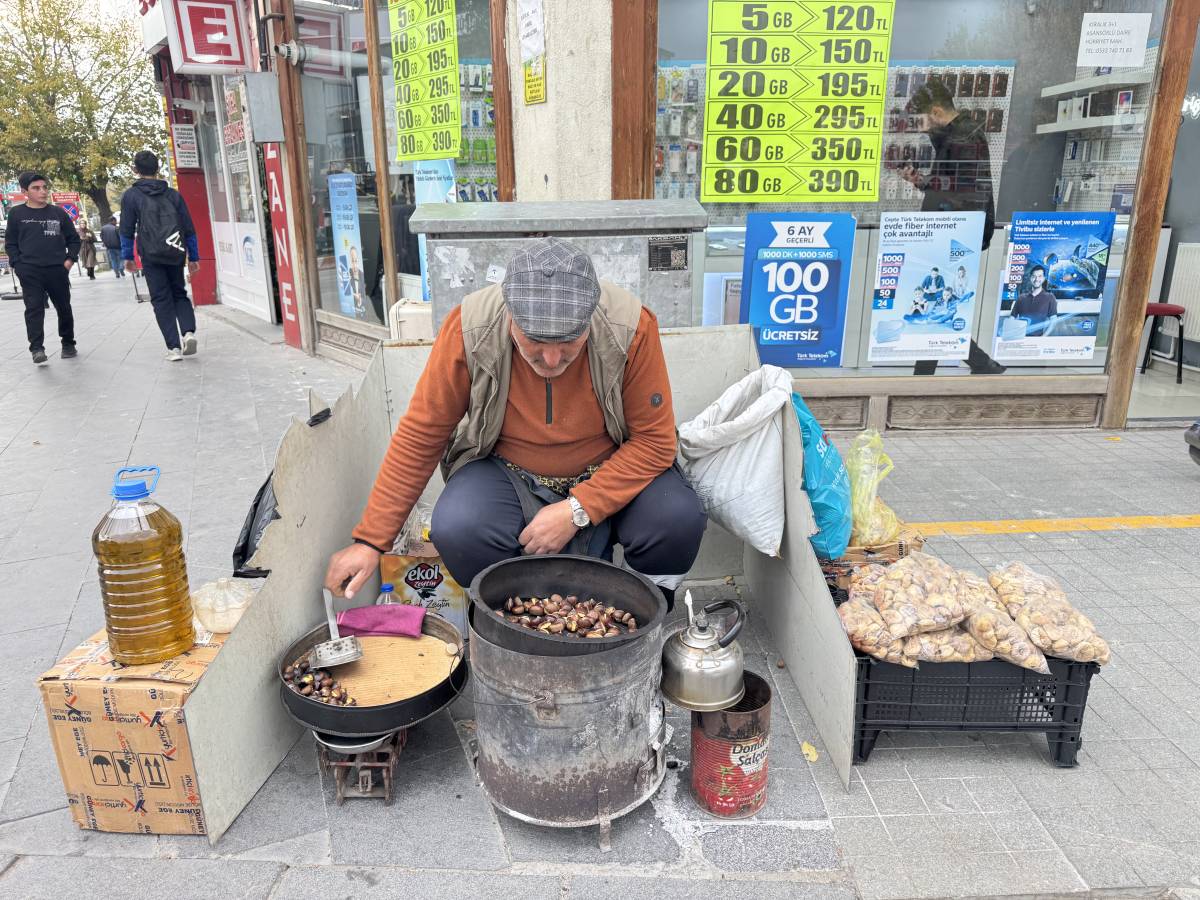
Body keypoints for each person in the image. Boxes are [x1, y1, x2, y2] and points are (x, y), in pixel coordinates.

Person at [324, 237, 708, 610]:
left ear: (591, 317)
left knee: (676, 517)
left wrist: (578, 509)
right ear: (510, 316)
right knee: (459, 527)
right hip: (507, 470)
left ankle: (638, 614)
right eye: (536, 342)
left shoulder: (631, 327)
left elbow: (655, 443)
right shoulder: (469, 328)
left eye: (570, 341)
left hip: (608, 464)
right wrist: (372, 542)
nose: (553, 360)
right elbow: (422, 434)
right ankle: (517, 616)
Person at [902, 77, 1005, 375]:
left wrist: (924, 181)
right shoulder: (956, 136)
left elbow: (962, 189)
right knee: (942, 302)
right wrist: (922, 180)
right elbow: (953, 184)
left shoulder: (963, 139)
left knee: (942, 303)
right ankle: (979, 362)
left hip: (956, 232)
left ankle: (936, 372)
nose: (919, 127)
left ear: (935, 112)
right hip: (954, 228)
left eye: (921, 120)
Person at [119, 151, 201, 361]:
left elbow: (127, 229)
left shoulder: (131, 196)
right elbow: (188, 227)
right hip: (175, 252)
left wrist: (127, 257)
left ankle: (173, 348)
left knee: (161, 299)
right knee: (179, 293)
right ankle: (188, 332)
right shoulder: (173, 194)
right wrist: (194, 257)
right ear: (158, 169)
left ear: (135, 170)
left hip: (151, 255)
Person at [3, 171, 79, 365]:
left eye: (44, 187)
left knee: (63, 307)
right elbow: (10, 243)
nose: (42, 191)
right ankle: (37, 348)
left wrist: (69, 260)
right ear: (24, 191)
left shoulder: (58, 213)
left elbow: (73, 239)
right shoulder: (16, 214)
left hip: (57, 269)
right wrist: (17, 264)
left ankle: (68, 343)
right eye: (36, 188)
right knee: (34, 309)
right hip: (29, 270)